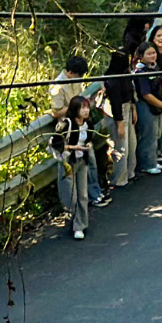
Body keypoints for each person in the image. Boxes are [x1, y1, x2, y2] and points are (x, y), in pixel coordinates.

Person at [52, 96, 96, 240]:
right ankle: (73, 217)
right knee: (71, 195)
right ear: (75, 109)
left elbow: (89, 139)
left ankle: (80, 225)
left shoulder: (88, 124)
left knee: (83, 195)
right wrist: (73, 147)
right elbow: (55, 144)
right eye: (82, 108)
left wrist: (86, 146)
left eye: (87, 107)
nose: (86, 111)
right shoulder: (66, 124)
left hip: (82, 160)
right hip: (68, 162)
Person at [133, 44, 162, 177]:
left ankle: (154, 160)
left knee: (157, 133)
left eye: (154, 53)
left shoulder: (154, 66)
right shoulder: (141, 72)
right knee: (148, 134)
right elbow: (146, 94)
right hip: (145, 106)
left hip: (157, 103)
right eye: (149, 54)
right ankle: (147, 164)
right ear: (141, 56)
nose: (153, 56)